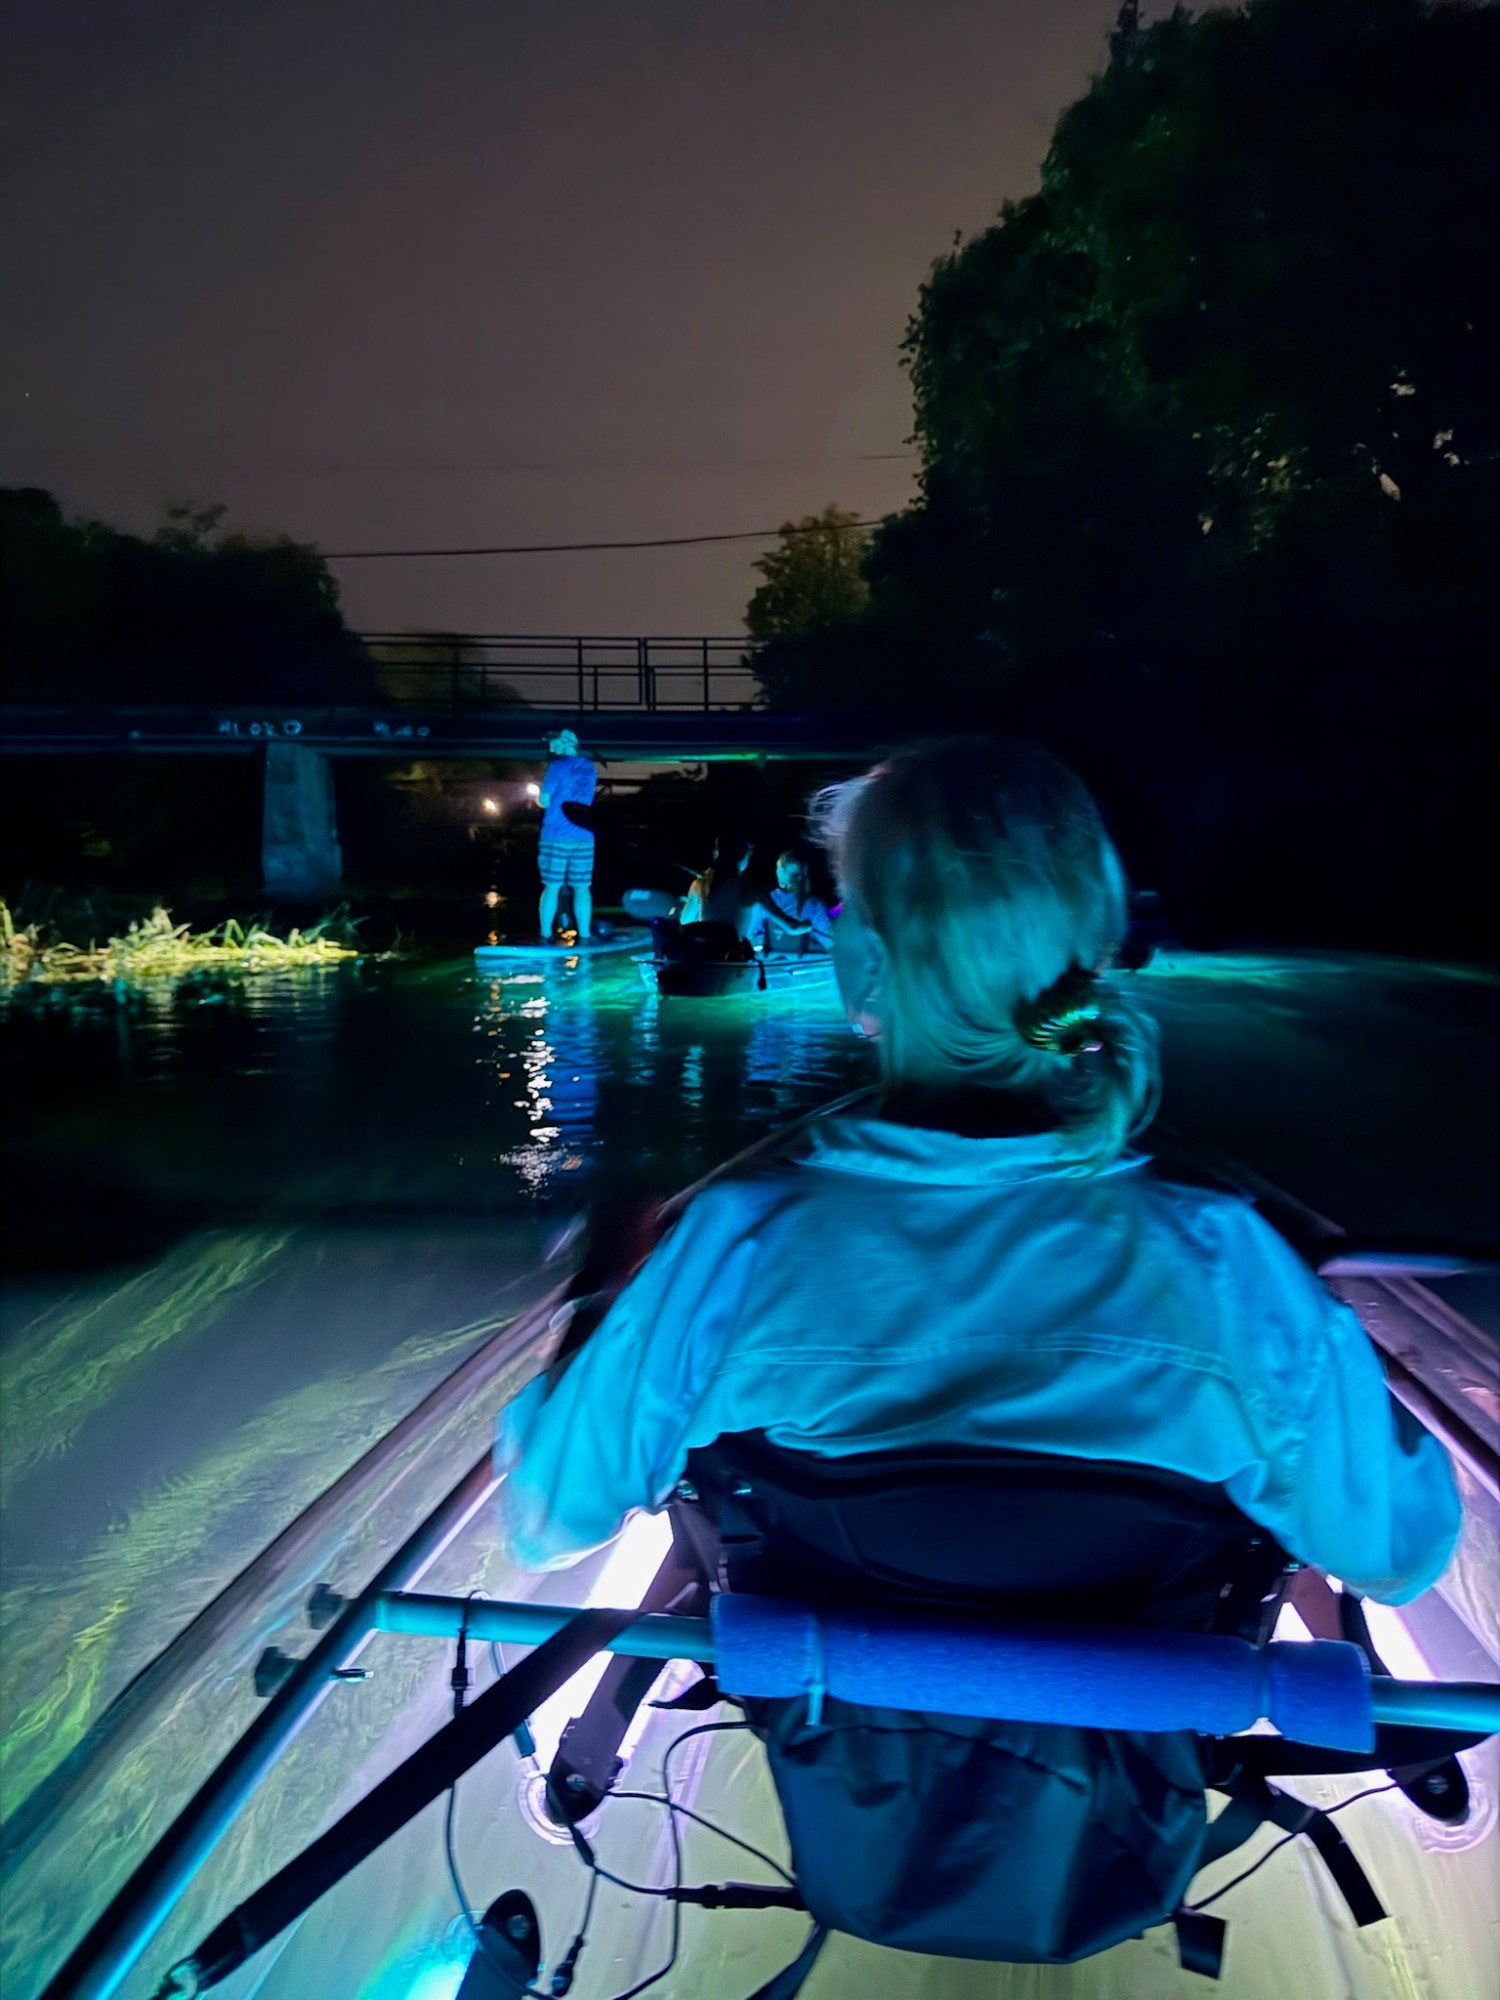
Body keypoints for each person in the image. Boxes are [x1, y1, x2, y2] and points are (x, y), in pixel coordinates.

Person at [497, 736, 1459, 1609]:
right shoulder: (1222, 1261)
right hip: (1128, 1767)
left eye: (844, 904)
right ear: (1087, 957)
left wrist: (604, 1286)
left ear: (867, 966)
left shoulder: (733, 1249)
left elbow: (545, 1521)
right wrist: (1307, 1315)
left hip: (841, 1752)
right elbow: (1403, 1551)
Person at [536, 730, 597, 942]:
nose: (550, 747)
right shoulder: (590, 767)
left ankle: (545, 935)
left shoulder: (556, 766)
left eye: (553, 743)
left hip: (555, 835)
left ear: (565, 743)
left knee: (552, 886)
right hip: (584, 836)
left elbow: (544, 800)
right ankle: (586, 935)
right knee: (582, 886)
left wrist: (537, 797)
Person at [747, 849, 834, 955]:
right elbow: (829, 942)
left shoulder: (764, 902)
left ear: (783, 871)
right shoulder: (815, 904)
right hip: (806, 966)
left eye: (778, 868)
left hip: (774, 965)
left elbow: (750, 937)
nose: (776, 871)